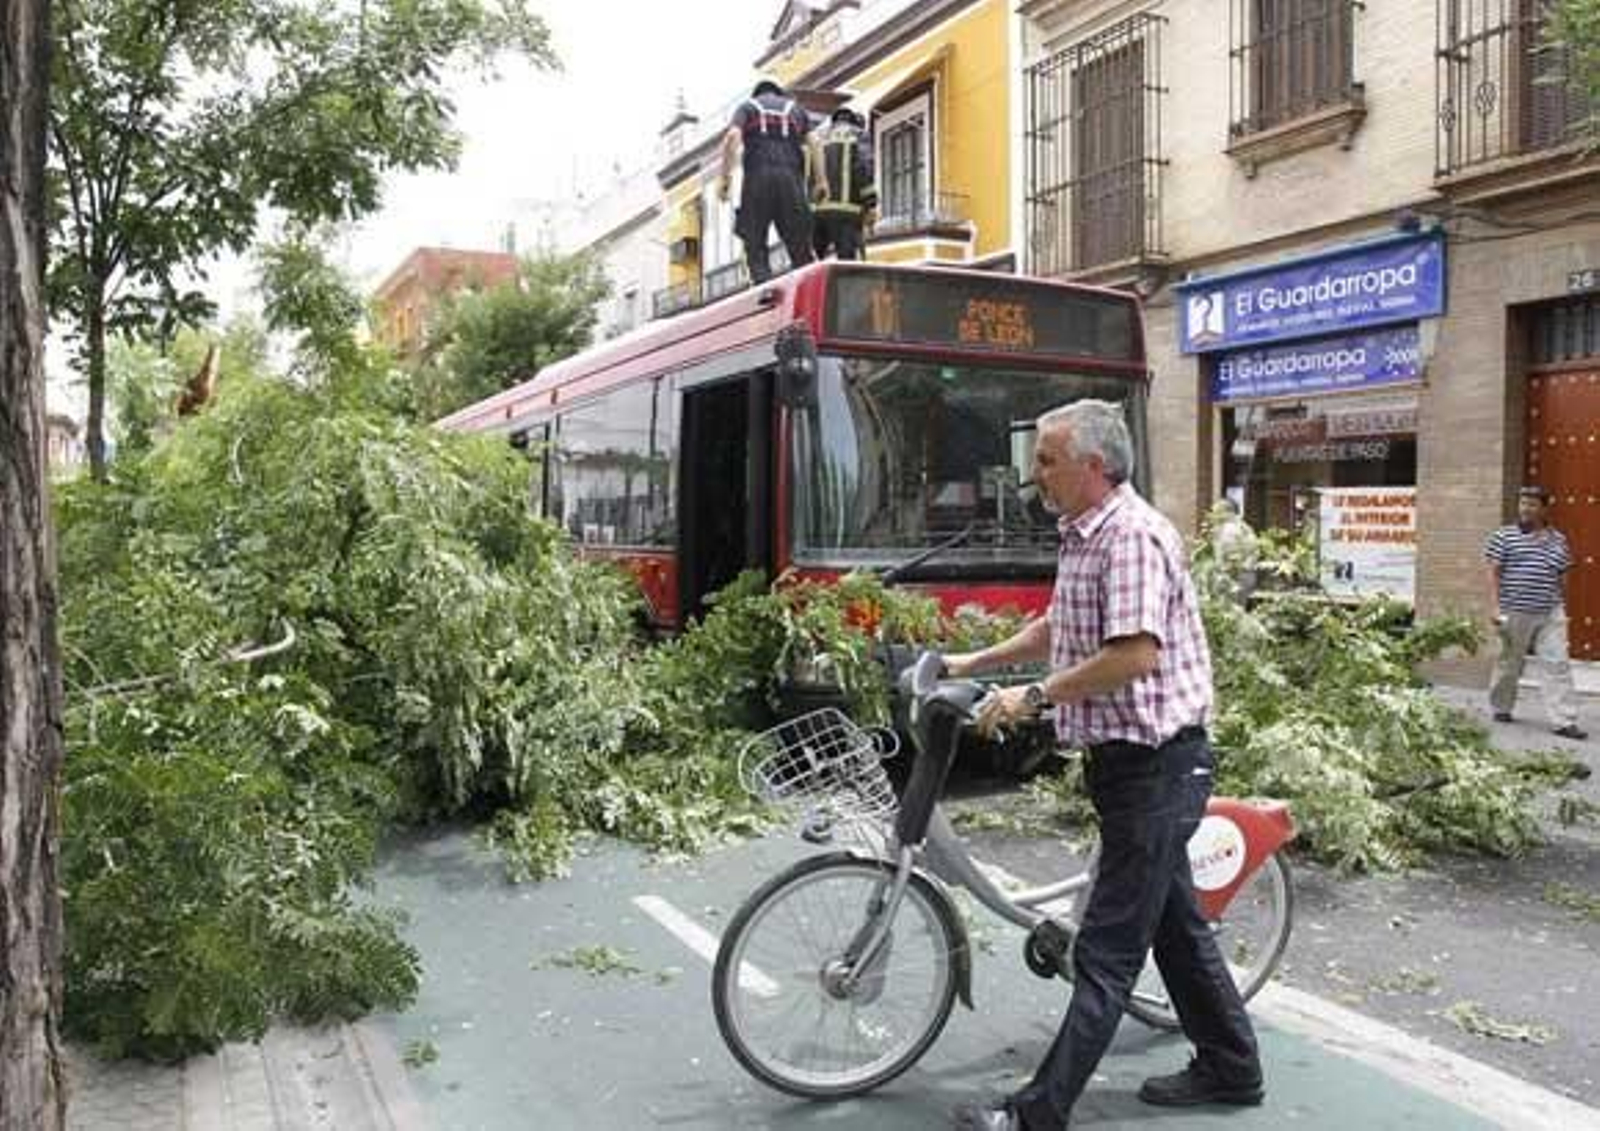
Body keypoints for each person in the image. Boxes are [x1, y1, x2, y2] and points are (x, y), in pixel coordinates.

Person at [943, 399, 1262, 1131]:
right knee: (1176, 926)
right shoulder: (1084, 534)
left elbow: (1134, 654)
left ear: (1094, 464)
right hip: (1126, 765)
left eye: (1048, 460)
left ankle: (1036, 1112)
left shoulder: (1132, 537)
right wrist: (979, 659)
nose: (1036, 474)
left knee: (1109, 952)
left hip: (1160, 765)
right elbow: (1065, 624)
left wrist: (1033, 695)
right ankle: (1232, 1066)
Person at [1485, 486, 1587, 740]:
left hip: (1550, 611)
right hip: (1514, 610)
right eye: (1522, 504)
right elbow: (1493, 573)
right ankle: (1502, 707)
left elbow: (1563, 575)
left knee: (1557, 664)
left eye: (1531, 504)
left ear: (1543, 508)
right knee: (1509, 663)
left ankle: (1564, 720)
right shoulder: (1503, 536)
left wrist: (1562, 605)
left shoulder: (1558, 539)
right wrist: (1495, 607)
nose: (1525, 509)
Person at [719, 79, 815, 284]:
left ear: (757, 95)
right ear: (779, 94)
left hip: (757, 180)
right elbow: (815, 142)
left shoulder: (747, 107)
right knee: (799, 244)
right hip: (792, 181)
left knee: (755, 242)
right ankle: (807, 286)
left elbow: (732, 137)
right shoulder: (796, 110)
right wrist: (822, 181)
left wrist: (725, 178)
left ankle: (764, 289)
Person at [809, 106, 876, 261]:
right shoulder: (857, 134)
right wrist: (871, 203)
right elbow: (863, 168)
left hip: (816, 213)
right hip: (846, 212)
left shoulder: (818, 137)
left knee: (813, 266)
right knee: (849, 267)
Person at [1210, 497, 1258, 602]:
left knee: (1232, 610)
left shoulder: (1231, 529)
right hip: (1241, 576)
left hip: (1235, 577)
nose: (1214, 516)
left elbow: (1227, 557)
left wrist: (1223, 573)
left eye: (1216, 512)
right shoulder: (1243, 527)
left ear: (1228, 512)